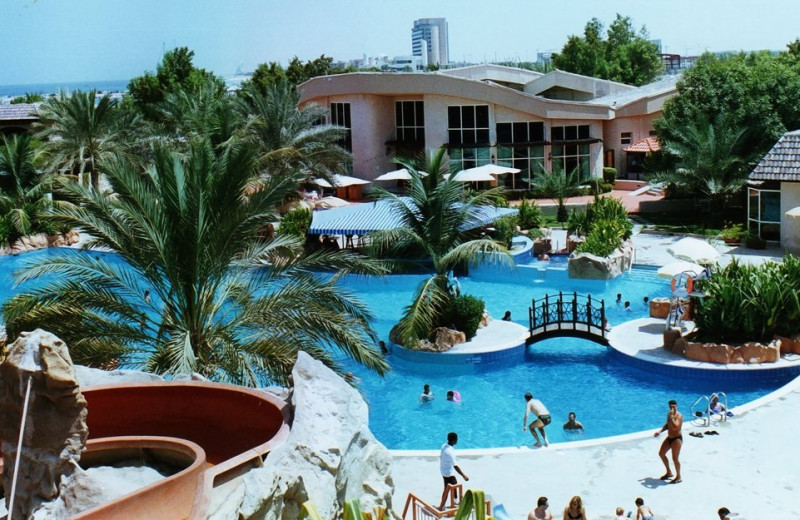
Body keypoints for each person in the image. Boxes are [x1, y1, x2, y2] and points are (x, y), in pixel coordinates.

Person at [653, 399, 683, 483]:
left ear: (676, 406)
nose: (672, 408)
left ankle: (678, 476)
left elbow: (675, 427)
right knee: (661, 453)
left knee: (675, 458)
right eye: (670, 407)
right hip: (669, 437)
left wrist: (672, 417)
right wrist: (660, 431)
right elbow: (668, 425)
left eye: (673, 407)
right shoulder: (669, 414)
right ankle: (669, 472)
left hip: (676, 439)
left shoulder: (679, 416)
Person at [438, 432, 468, 510]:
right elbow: (455, 466)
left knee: (450, 486)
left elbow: (441, 456)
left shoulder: (444, 446)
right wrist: (463, 475)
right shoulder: (450, 452)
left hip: (443, 470)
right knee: (450, 487)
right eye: (456, 439)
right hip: (449, 473)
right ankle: (443, 505)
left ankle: (453, 501)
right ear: (454, 441)